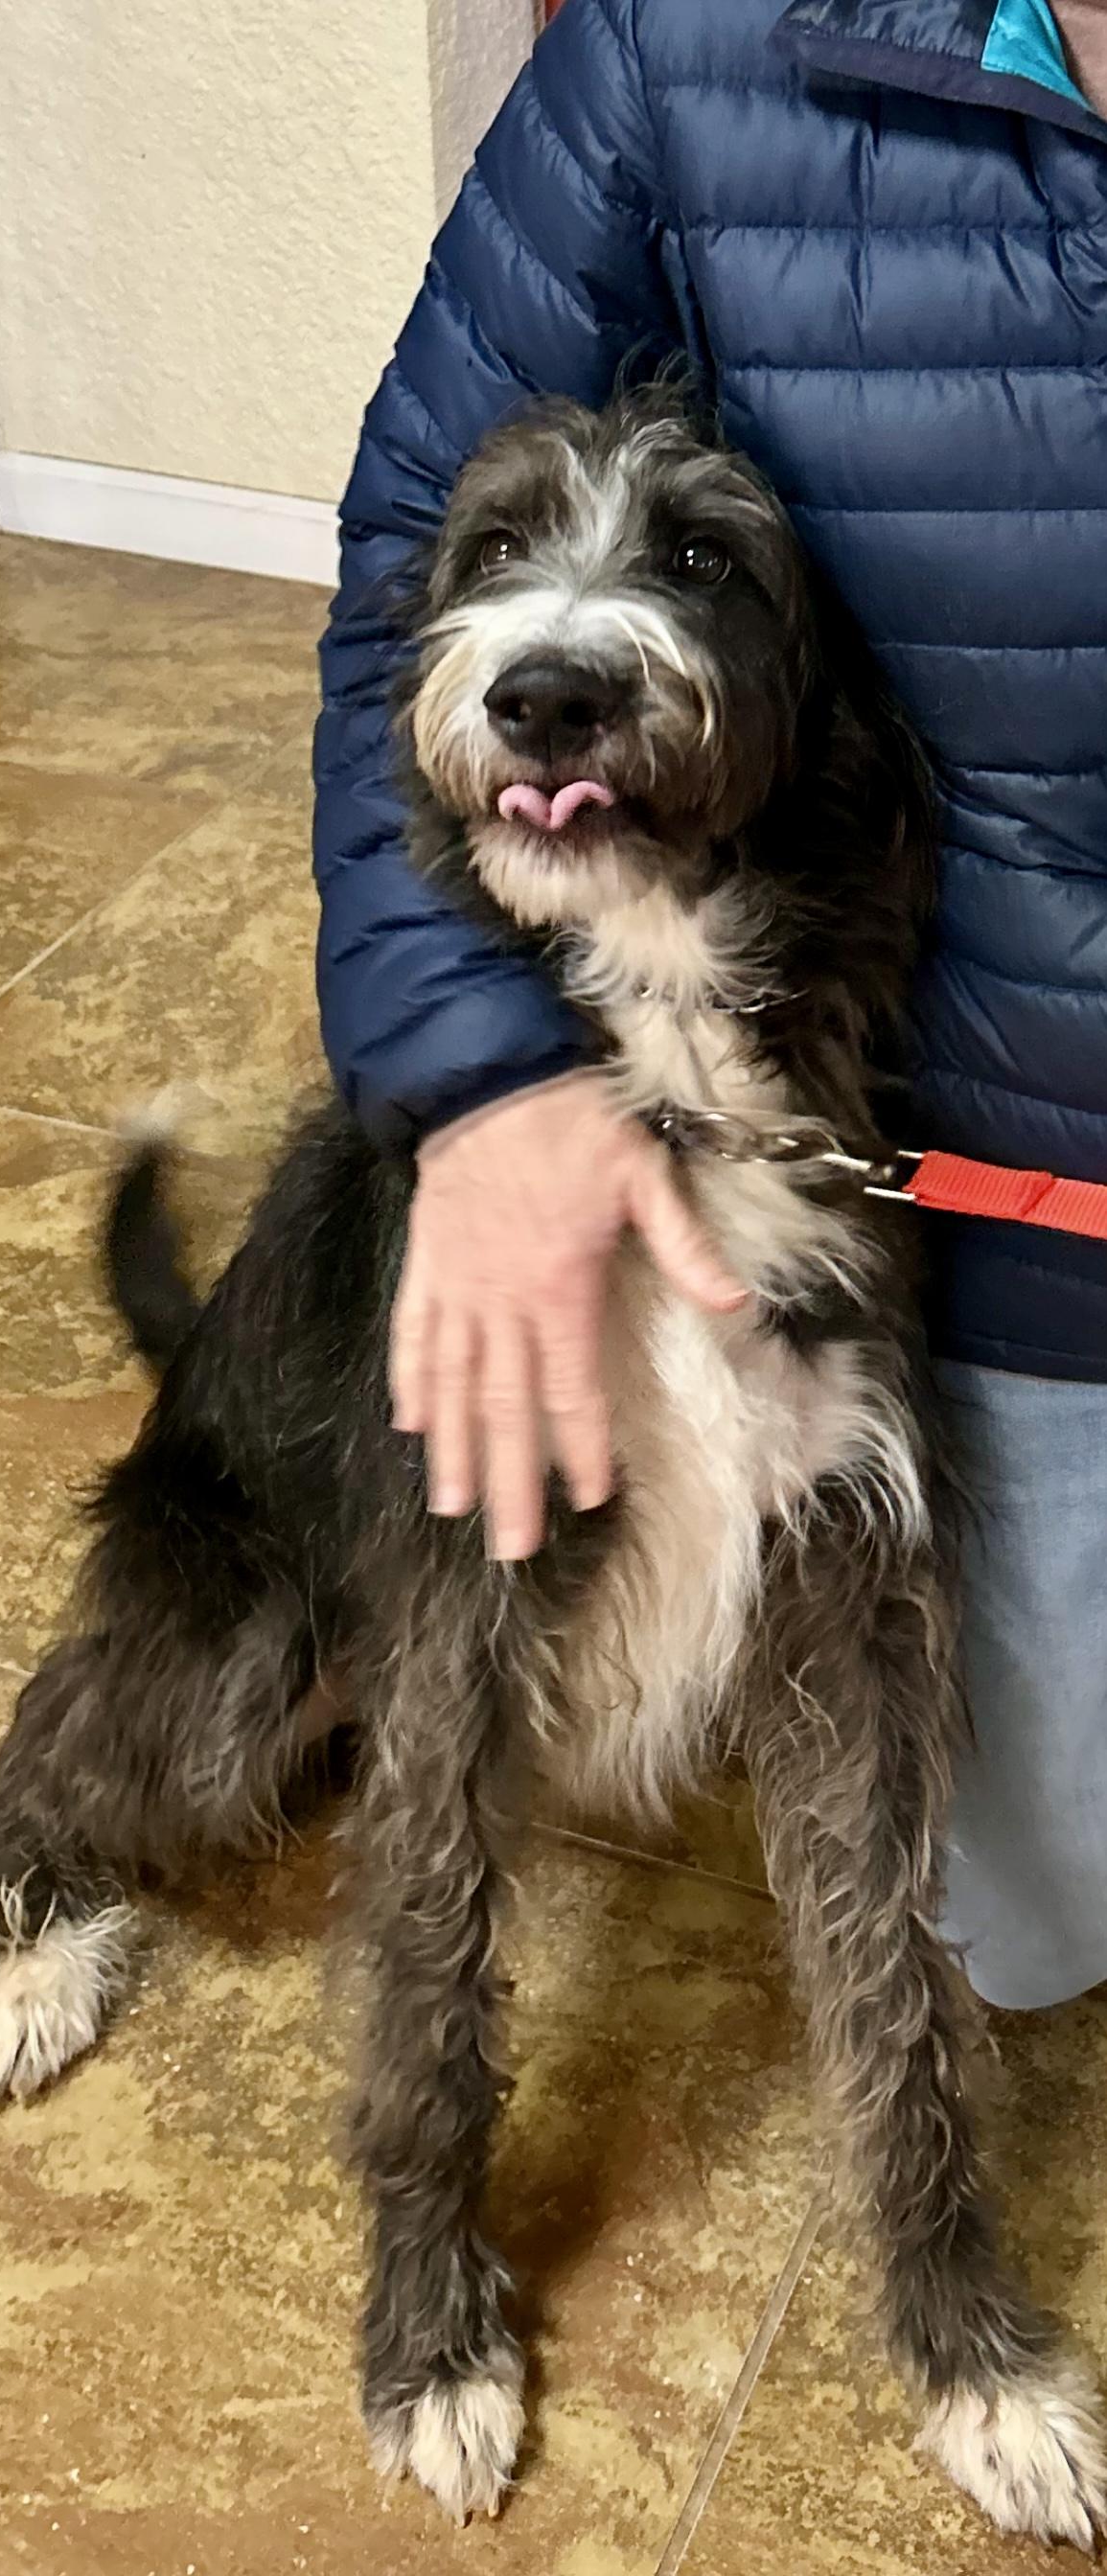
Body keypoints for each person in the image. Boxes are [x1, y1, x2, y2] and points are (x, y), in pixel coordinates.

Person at [314, 0, 1107, 2014]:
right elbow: (417, 568)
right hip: (1002, 1210)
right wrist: (479, 1079)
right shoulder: (688, 45)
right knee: (1026, 1932)